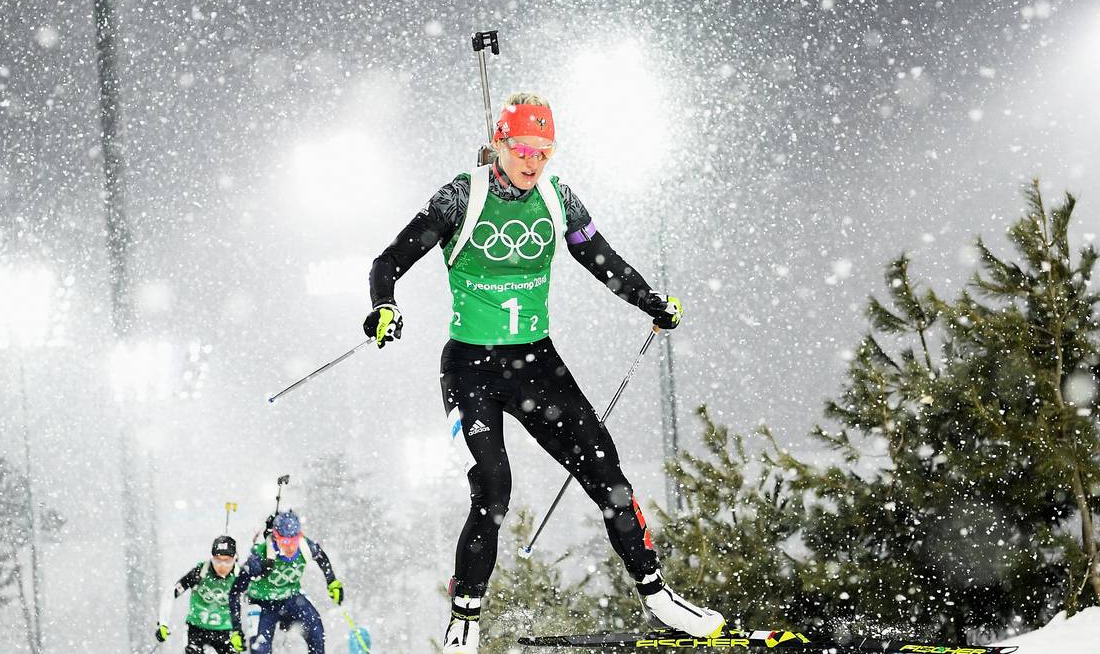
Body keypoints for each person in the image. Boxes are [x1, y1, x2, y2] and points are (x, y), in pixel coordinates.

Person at [365, 92, 724, 654]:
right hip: (471, 369)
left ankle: (658, 597)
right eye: (525, 150)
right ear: (501, 144)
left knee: (608, 475)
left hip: (535, 364)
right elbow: (388, 260)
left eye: (545, 152)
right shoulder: (463, 195)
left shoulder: (557, 199)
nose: (534, 163)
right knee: (493, 490)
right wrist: (384, 304)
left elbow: (600, 258)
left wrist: (648, 300)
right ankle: (465, 618)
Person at [228, 511, 344, 654]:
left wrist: (332, 581)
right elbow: (234, 592)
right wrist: (235, 630)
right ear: (276, 537)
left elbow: (322, 558)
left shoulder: (305, 546)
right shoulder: (259, 557)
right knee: (260, 648)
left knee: (316, 631)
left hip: (291, 599)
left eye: (294, 541)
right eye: (285, 542)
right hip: (263, 604)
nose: (290, 548)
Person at [157, 535, 245, 653]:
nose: (222, 567)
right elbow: (171, 594)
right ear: (212, 558)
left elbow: (253, 601)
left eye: (227, 561)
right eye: (217, 561)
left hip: (225, 631)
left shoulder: (240, 577)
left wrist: (238, 632)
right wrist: (163, 624)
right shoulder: (199, 573)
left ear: (235, 559)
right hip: (196, 629)